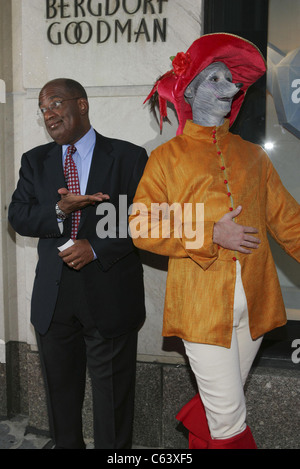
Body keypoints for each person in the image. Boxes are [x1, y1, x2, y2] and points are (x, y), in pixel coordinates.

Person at [129, 34, 300, 449]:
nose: (231, 88)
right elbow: (140, 225)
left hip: (256, 309)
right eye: (216, 80)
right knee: (229, 421)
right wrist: (210, 232)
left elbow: (289, 221)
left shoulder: (253, 155)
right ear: (189, 91)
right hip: (202, 311)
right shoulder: (165, 159)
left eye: (232, 81)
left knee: (220, 407)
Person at [8, 78, 148, 449]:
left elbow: (144, 220)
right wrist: (58, 209)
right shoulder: (34, 161)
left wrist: (96, 246)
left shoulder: (129, 157)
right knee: (61, 405)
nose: (48, 114)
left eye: (55, 103)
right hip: (54, 300)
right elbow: (18, 217)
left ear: (81, 105)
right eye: (42, 108)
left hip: (110, 295)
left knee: (112, 408)